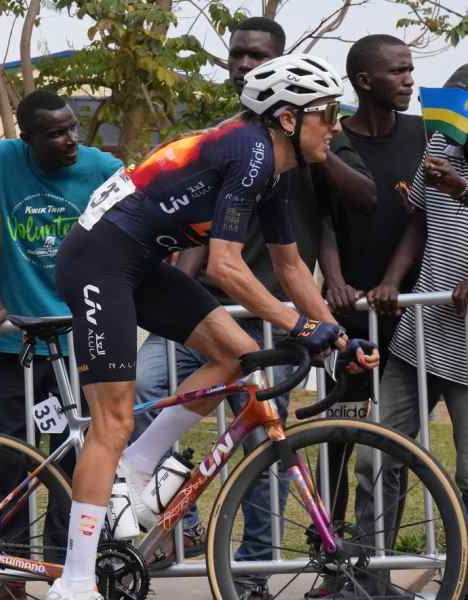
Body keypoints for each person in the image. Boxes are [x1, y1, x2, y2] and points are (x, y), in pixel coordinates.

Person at [48, 54, 379, 600]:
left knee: (238, 353)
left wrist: (339, 335)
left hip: (140, 262)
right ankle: (75, 584)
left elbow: (292, 267)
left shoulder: (276, 169)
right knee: (112, 419)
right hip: (97, 262)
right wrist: (301, 327)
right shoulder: (250, 152)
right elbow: (225, 265)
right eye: (325, 112)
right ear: (289, 120)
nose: (336, 125)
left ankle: (135, 470)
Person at [130, 19, 376, 594]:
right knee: (145, 395)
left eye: (255, 56)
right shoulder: (234, 138)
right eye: (236, 54)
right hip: (208, 300)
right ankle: (171, 522)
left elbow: (331, 229)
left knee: (266, 440)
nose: (242, 63)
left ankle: (256, 568)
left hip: (267, 307)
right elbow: (205, 246)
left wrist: (333, 333)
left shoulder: (313, 133)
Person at [0, 89, 123, 600]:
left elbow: (133, 235)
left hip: (81, 342)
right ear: (26, 136)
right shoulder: (2, 160)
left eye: (72, 127)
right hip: (21, 344)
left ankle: (64, 571)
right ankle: (10, 575)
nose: (69, 139)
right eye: (54, 133)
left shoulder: (102, 168)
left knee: (73, 457)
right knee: (14, 457)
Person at [308, 34, 426, 599]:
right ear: (364, 81)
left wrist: (398, 285)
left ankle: (373, 570)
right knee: (341, 442)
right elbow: (323, 217)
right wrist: (331, 278)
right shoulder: (333, 140)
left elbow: (426, 217)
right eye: (399, 71)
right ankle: (333, 571)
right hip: (352, 316)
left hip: (415, 317)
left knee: (392, 453)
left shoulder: (424, 136)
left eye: (410, 68)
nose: (409, 79)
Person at [350, 62, 468, 598]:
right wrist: (393, 281)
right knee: (376, 457)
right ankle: (369, 580)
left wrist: (462, 186)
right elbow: (418, 220)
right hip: (421, 332)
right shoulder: (438, 144)